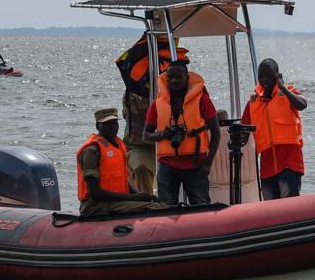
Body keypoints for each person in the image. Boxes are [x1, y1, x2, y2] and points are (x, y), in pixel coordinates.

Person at [142, 61, 221, 206]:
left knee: (201, 205)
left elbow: (216, 133)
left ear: (187, 78)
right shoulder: (157, 104)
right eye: (171, 77)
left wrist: (208, 163)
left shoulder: (202, 100)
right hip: (168, 165)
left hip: (196, 164)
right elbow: (146, 135)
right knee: (166, 208)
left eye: (179, 77)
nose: (174, 81)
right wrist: (162, 135)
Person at [76, 108, 166, 218]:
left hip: (116, 201)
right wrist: (132, 198)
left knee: (158, 203)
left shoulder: (119, 145)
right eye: (107, 124)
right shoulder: (92, 151)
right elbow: (95, 193)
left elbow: (123, 181)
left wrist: (139, 195)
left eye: (114, 123)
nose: (112, 127)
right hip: (96, 205)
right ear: (98, 126)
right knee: (153, 208)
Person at [241, 58, 307, 200]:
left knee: (290, 207)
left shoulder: (289, 93)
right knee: (271, 209)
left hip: (289, 162)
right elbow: (243, 132)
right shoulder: (252, 103)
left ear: (277, 76)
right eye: (261, 76)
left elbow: (302, 104)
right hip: (267, 165)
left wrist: (282, 87)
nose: (264, 80)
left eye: (269, 76)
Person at [121, 89, 157, 196]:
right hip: (141, 146)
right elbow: (138, 132)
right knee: (141, 167)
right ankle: (148, 204)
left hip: (173, 146)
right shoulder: (132, 96)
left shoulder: (178, 90)